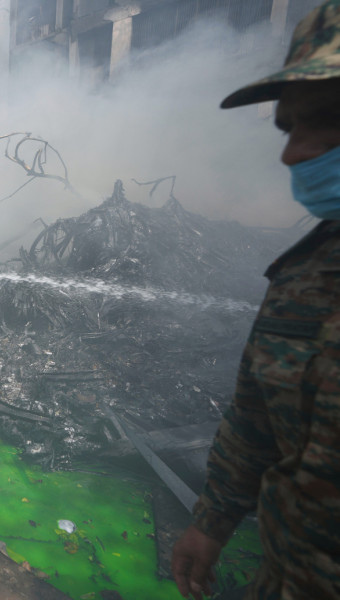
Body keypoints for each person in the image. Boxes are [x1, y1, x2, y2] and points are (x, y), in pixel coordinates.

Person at [171, 2, 340, 599]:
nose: (291, 153)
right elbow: (256, 414)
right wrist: (212, 519)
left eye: (325, 119)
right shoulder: (306, 272)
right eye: (287, 128)